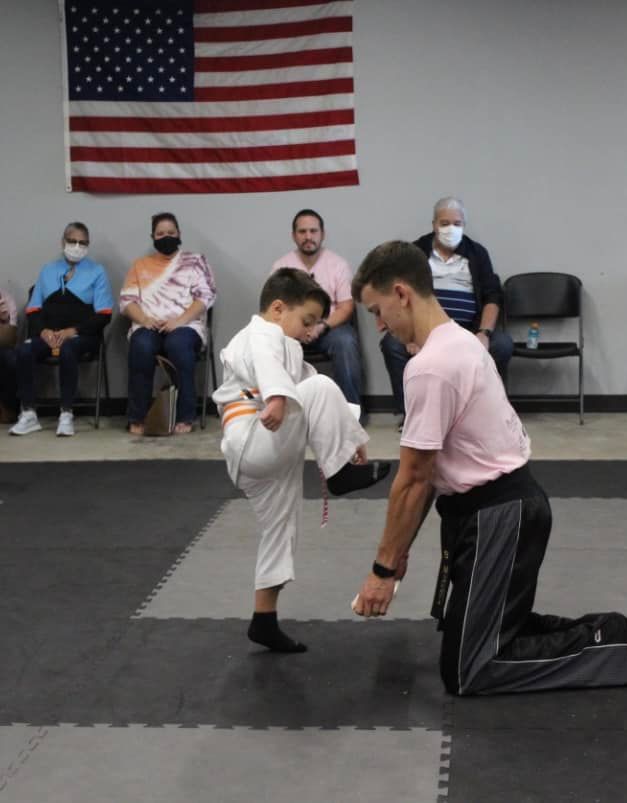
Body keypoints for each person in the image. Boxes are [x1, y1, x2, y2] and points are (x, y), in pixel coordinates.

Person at [350, 241, 627, 696]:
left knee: (469, 670)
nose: (379, 325)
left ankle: (611, 641)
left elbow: (414, 479)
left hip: (498, 516)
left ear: (401, 293)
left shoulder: (431, 366)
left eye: (377, 311)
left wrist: (382, 571)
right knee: (486, 633)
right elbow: (429, 476)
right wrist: (399, 555)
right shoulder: (460, 341)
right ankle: (608, 636)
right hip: (495, 511)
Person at [212, 268, 390, 652]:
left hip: (265, 451)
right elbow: (283, 376)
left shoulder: (287, 345)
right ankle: (339, 475)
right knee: (322, 383)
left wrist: (351, 436)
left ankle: (264, 620)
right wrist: (277, 397)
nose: (310, 332)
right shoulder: (262, 333)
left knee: (282, 532)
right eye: (307, 321)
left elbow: (314, 400)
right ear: (278, 308)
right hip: (253, 435)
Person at [379, 197, 513, 428]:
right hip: (424, 329)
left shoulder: (477, 253)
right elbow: (399, 293)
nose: (451, 229)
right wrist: (410, 334)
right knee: (392, 345)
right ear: (433, 225)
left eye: (457, 223)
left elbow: (492, 295)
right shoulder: (415, 252)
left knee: (502, 345)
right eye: (444, 223)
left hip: (468, 330)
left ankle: (485, 412)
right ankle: (413, 416)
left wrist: (484, 333)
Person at [9, 222, 113, 437]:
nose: (77, 246)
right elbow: (34, 308)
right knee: (24, 351)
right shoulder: (48, 270)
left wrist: (71, 331)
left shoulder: (96, 271)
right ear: (62, 242)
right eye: (72, 241)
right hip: (49, 334)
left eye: (82, 242)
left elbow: (104, 315)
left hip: (82, 336)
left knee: (68, 350)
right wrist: (44, 332)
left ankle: (66, 413)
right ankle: (28, 413)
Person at [120, 212, 217, 435]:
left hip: (185, 325)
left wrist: (179, 321)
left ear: (179, 234)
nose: (166, 237)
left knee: (178, 346)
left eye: (171, 233)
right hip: (148, 324)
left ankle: (185, 415)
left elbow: (206, 296)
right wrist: (146, 320)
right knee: (141, 346)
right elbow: (127, 302)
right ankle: (138, 416)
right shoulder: (140, 265)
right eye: (160, 233)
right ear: (153, 237)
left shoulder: (195, 262)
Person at [271, 209, 363, 407]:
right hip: (291, 331)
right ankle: (282, 409)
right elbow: (275, 310)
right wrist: (297, 329)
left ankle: (350, 413)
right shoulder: (281, 266)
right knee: (270, 342)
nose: (308, 237)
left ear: (323, 234)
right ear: (294, 236)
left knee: (345, 341)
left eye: (313, 231)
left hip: (327, 328)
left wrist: (321, 326)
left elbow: (346, 307)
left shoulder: (338, 264)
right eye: (302, 232)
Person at [0, 285, 18, 423]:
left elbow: (9, 339)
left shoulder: (5, 299)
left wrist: (4, 319)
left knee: (10, 359)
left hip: (2, 346)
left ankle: (8, 409)